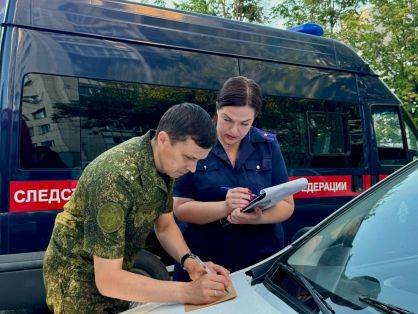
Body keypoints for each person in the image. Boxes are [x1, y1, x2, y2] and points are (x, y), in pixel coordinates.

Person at [43, 103, 231, 313]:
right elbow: (108, 280)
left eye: (198, 160)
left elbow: (165, 226)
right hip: (77, 286)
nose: (192, 169)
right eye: (188, 157)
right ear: (163, 139)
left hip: (116, 276)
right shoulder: (114, 178)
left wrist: (191, 261)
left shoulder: (164, 164)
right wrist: (189, 292)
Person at [173, 76, 294, 281]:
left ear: (254, 118)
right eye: (227, 119)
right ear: (217, 108)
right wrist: (225, 207)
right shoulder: (195, 141)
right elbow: (180, 208)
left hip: (260, 263)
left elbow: (287, 204)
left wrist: (259, 217)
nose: (234, 130)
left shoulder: (267, 145)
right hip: (207, 264)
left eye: (245, 123)